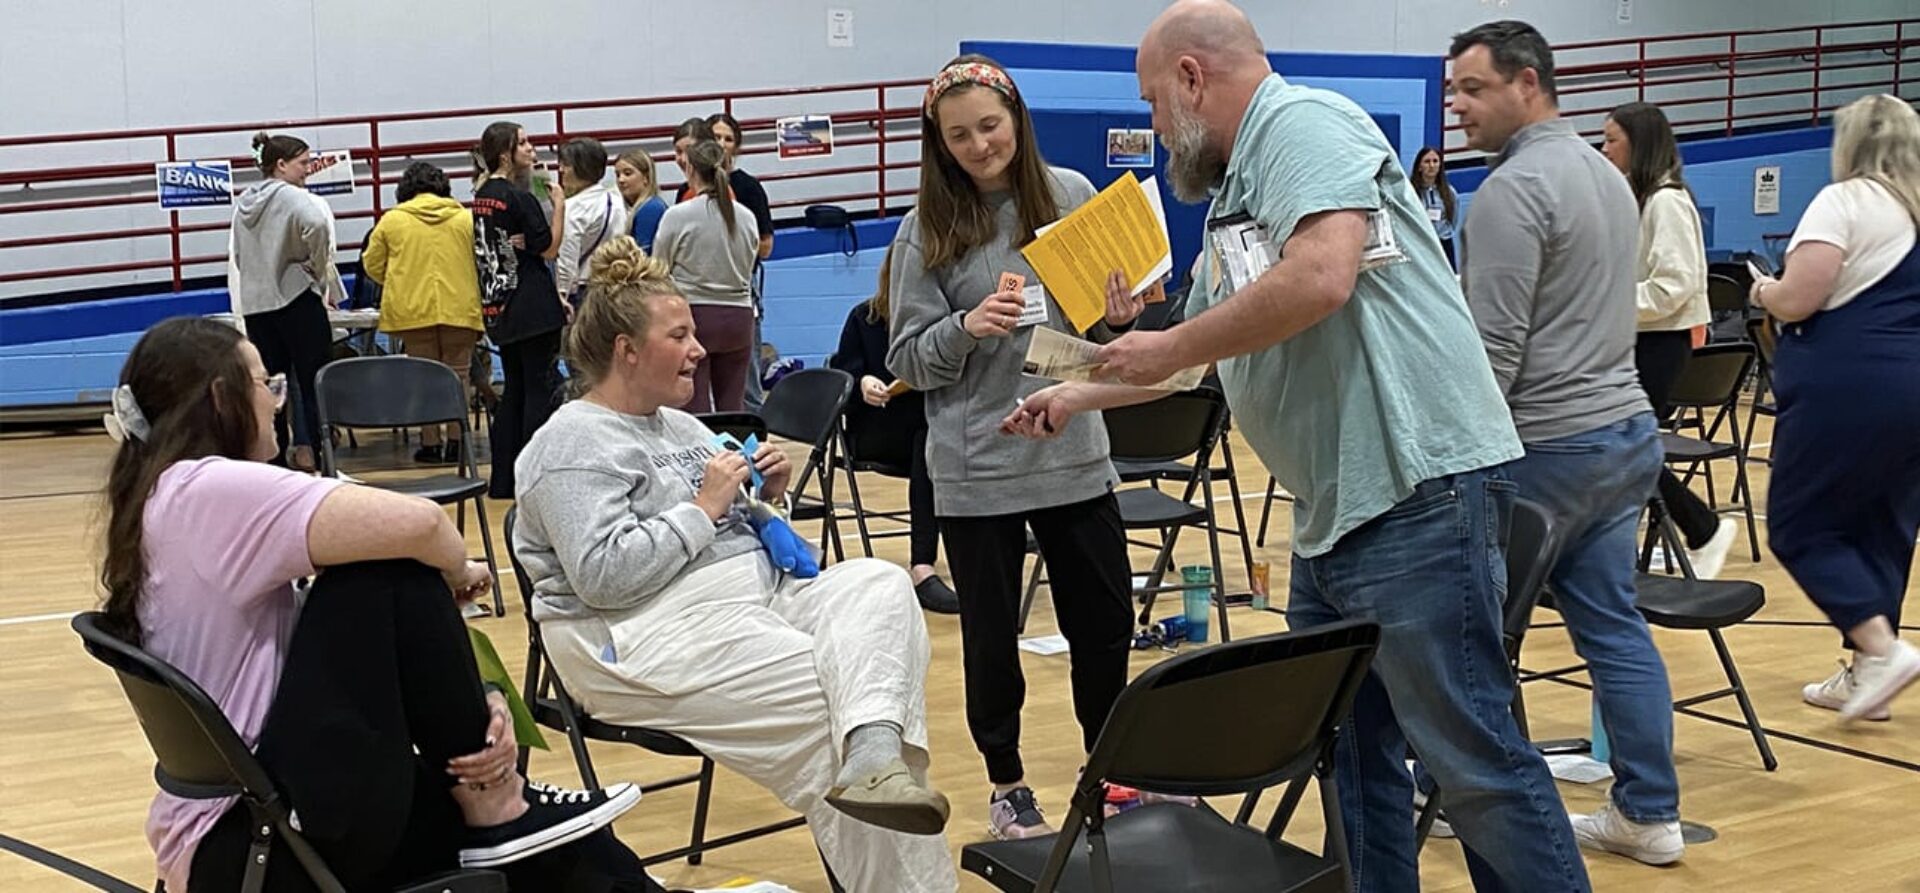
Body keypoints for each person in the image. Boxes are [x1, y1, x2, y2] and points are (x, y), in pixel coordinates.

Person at [1005, 4, 1589, 889]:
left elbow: (1321, 275)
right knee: (1354, 763)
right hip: (1336, 519)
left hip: (1414, 494)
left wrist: (1168, 345)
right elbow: (1194, 350)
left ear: (1194, 79)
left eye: (1155, 100)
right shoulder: (1241, 193)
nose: (1155, 123)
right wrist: (1075, 393)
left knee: (1473, 764)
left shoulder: (1302, 123)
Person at [97, 317, 646, 893]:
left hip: (252, 822)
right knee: (388, 568)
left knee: (568, 846)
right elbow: (423, 523)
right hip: (262, 838)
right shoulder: (206, 489)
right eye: (267, 384)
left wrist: (479, 701)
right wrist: (458, 571)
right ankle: (496, 797)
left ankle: (499, 798)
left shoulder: (162, 495)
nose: (278, 402)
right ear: (220, 396)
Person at [513, 237, 960, 892]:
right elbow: (603, 576)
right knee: (826, 703)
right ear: (626, 350)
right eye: (681, 334)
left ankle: (873, 756)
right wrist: (704, 505)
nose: (699, 347)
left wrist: (759, 498)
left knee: (879, 582)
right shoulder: (570, 443)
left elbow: (732, 519)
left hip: (748, 599)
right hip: (635, 631)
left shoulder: (680, 426)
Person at [887, 54, 1143, 841]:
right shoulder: (925, 228)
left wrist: (1122, 317)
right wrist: (965, 328)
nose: (977, 144)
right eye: (958, 134)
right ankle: (1007, 785)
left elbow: (1102, 335)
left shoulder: (1071, 196)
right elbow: (903, 358)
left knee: (1104, 628)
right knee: (991, 645)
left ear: (1017, 121)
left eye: (989, 126)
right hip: (979, 471)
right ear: (939, 142)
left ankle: (1111, 773)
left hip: (1073, 453)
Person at [1452, 21, 1684, 867]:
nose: (1458, 108)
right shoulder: (1606, 175)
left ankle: (1462, 794)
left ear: (1528, 84)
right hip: (1623, 435)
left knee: (1470, 636)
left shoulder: (1514, 190)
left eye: (1473, 90)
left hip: (1548, 448)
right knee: (1613, 627)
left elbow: (1493, 354)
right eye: (1453, 92)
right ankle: (1650, 812)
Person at [1750, 93, 1920, 723]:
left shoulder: (1845, 201)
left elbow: (1798, 298)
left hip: (1850, 384)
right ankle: (1863, 674)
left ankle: (1879, 651)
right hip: (1911, 387)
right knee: (1884, 527)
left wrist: (1764, 287)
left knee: (1800, 525)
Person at [1599, 101, 1741, 579]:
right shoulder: (1637, 197)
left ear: (1638, 145)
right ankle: (1684, 530)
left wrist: (1607, 301)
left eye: (1612, 139)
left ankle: (1701, 526)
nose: (1604, 148)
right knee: (1622, 447)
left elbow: (1673, 286)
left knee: (1627, 446)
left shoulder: (1667, 200)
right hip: (1642, 338)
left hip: (1661, 342)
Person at [829, 247, 960, 615]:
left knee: (944, 433)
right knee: (929, 439)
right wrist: (863, 382)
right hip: (876, 428)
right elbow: (843, 375)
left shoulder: (940, 323)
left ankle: (998, 536)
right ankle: (922, 566)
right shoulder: (864, 318)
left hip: (932, 425)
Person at [229, 131, 344, 472]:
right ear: (280, 165)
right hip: (295, 300)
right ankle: (325, 461)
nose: (308, 170)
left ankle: (274, 463)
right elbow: (317, 224)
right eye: (303, 163)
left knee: (271, 390)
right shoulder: (293, 198)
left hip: (258, 307)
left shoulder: (244, 202)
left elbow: (237, 254)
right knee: (315, 385)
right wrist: (316, 263)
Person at [361, 161, 485, 465]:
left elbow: (371, 264)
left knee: (423, 377)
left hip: (412, 309)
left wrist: (399, 279)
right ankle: (459, 442)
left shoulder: (392, 221)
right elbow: (483, 260)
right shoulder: (465, 219)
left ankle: (430, 444)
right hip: (460, 306)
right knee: (459, 376)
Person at [471, 120, 568, 499]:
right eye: (523, 143)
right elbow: (549, 248)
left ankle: (503, 480)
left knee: (514, 390)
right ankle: (535, 478)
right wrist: (558, 206)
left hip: (500, 304)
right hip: (532, 304)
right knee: (538, 391)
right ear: (504, 153)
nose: (531, 149)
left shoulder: (481, 197)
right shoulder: (519, 197)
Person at [654, 139, 759, 413]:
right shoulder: (747, 216)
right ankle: (738, 456)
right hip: (740, 318)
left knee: (695, 408)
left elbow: (658, 271)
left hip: (695, 316)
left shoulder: (677, 215)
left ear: (689, 169)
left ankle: (701, 458)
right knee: (732, 408)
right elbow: (751, 263)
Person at [706, 112, 777, 414]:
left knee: (745, 381)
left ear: (737, 147)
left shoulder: (748, 188)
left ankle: (756, 452)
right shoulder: (690, 190)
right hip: (700, 290)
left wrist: (729, 244)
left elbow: (766, 247)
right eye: (715, 137)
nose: (721, 144)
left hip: (739, 288)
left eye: (728, 139)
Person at [555, 137, 629, 307]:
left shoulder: (572, 208)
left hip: (584, 288)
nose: (561, 170)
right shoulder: (616, 198)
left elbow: (568, 255)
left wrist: (562, 293)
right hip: (616, 284)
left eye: (566, 165)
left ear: (581, 167)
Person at [1410, 146, 1458, 269]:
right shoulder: (1411, 193)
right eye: (1427, 161)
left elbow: (1453, 219)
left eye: (1435, 161)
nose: (1432, 165)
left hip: (1444, 243)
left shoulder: (1449, 192)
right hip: (1421, 244)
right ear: (1419, 166)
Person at [614, 148, 669, 252]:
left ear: (646, 177)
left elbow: (643, 257)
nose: (621, 180)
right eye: (617, 175)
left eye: (628, 173)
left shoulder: (651, 208)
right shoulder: (637, 208)